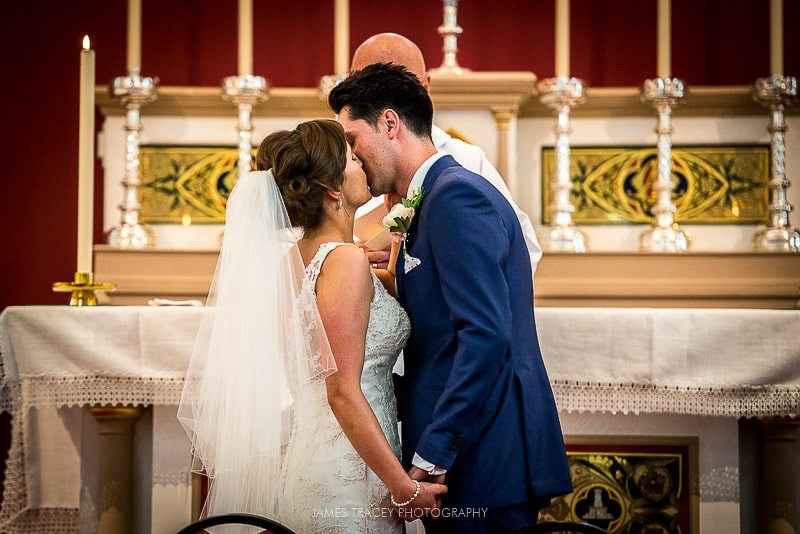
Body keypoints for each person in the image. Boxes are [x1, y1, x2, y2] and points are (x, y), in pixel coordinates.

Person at [329, 64, 572, 533]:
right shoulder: (430, 201)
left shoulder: (456, 197)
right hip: (473, 447)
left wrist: (434, 451)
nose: (352, 159)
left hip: (483, 451)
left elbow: (484, 336)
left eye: (354, 140)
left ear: (390, 123)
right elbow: (439, 331)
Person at [178, 119, 446, 533]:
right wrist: (404, 489)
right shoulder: (345, 262)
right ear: (335, 189)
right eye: (353, 159)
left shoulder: (295, 261)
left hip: (320, 461)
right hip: (348, 475)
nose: (363, 164)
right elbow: (340, 391)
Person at [350, 32, 543, 274]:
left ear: (425, 86)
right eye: (367, 90)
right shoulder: (333, 160)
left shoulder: (468, 162)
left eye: (398, 88)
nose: (385, 106)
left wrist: (407, 260)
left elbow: (522, 250)